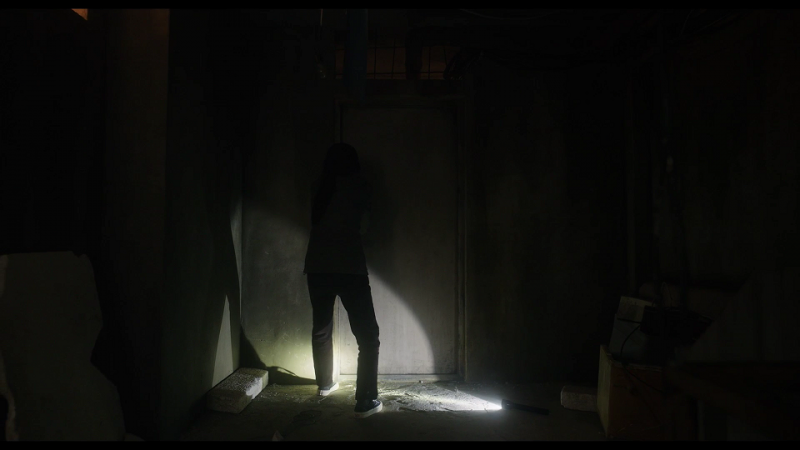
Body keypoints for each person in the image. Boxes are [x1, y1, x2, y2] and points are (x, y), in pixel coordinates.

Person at [303, 142, 382, 418]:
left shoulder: (318, 186)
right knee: (368, 336)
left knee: (321, 328)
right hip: (349, 267)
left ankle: (325, 384)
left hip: (317, 266)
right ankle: (366, 400)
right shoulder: (360, 187)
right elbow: (366, 227)